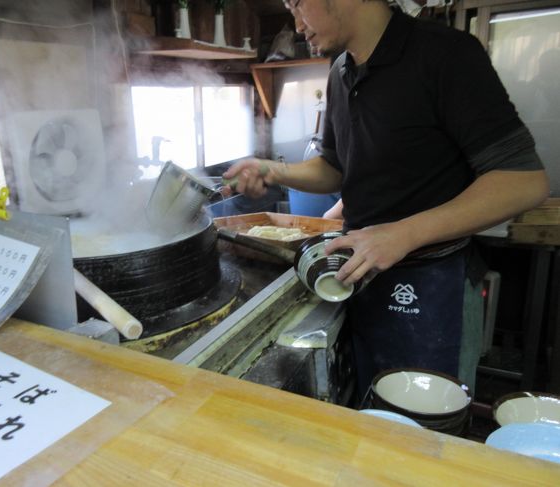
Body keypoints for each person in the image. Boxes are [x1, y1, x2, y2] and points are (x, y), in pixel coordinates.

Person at [222, 0, 549, 399]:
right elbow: (335, 168)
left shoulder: (445, 54)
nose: (296, 23)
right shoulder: (341, 71)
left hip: (431, 282)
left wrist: (401, 234)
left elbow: (524, 180)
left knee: (424, 437)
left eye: (299, 3)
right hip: (361, 276)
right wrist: (274, 170)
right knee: (371, 417)